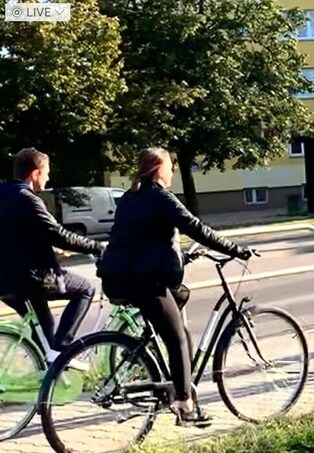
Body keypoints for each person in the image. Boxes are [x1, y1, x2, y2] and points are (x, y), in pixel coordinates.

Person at [97, 148, 254, 427]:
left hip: (119, 276)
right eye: (170, 167)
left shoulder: (130, 197)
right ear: (159, 169)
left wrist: (181, 257)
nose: (172, 172)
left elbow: (143, 240)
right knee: (177, 339)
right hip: (144, 281)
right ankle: (185, 405)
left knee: (180, 298)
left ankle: (170, 372)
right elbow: (195, 228)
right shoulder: (161, 197)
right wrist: (235, 249)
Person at [0, 148, 104, 366]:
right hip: (31, 277)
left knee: (47, 341)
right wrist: (95, 246)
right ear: (35, 173)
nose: (48, 177)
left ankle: (50, 376)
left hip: (4, 280)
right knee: (85, 289)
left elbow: (16, 234)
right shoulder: (27, 199)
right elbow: (58, 234)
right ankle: (63, 350)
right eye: (46, 172)